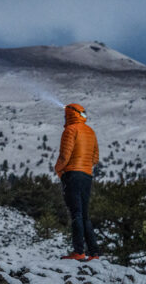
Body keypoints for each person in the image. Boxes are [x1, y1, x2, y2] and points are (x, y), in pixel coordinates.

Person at [55, 103, 100, 261]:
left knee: (76, 214)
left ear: (69, 114)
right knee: (85, 216)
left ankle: (78, 252)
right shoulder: (90, 132)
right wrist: (84, 165)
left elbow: (64, 157)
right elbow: (95, 159)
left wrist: (58, 170)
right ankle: (94, 253)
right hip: (87, 176)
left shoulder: (70, 130)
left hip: (72, 175)